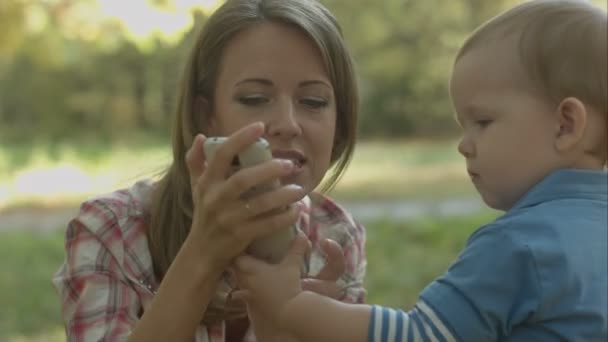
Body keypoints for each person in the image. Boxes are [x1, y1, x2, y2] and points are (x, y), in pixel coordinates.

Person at [233, 0, 608, 341]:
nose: (465, 144)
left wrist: (290, 307)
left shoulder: (519, 246)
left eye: (483, 121)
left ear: (566, 125)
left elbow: (421, 335)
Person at [52, 0, 367, 341]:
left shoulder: (335, 236)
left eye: (314, 102)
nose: (288, 124)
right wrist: (204, 251)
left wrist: (295, 325)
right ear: (206, 115)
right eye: (254, 98)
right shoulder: (111, 231)